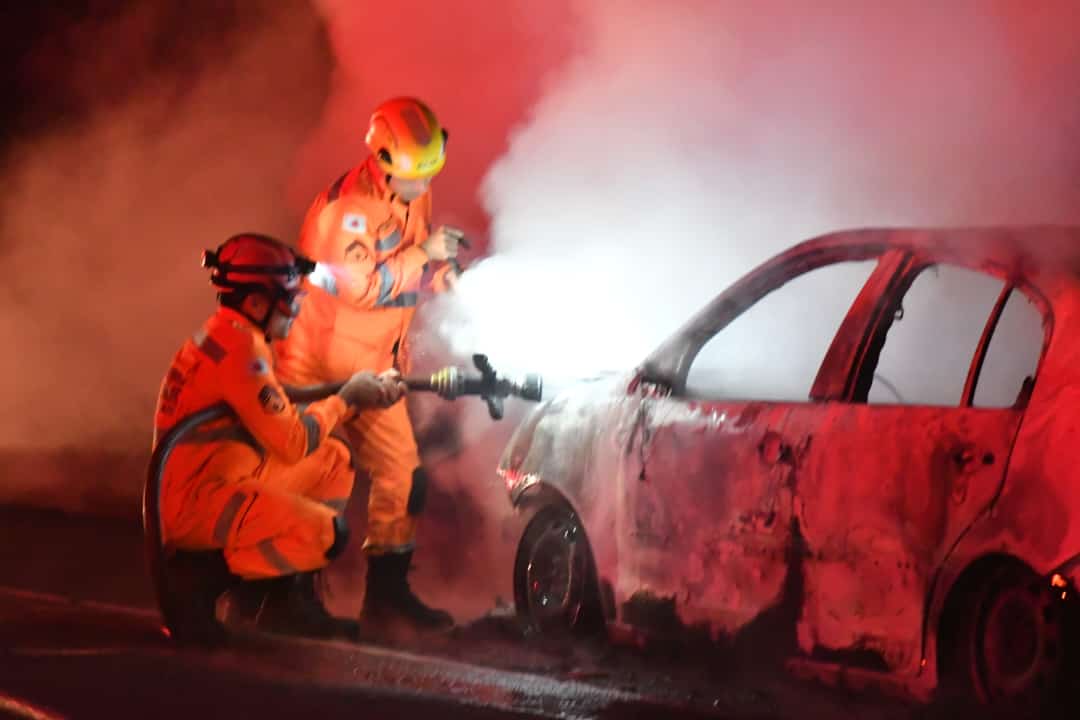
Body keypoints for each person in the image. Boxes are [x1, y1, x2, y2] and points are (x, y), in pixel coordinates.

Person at [153, 232, 407, 638]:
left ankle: (277, 602)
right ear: (256, 302)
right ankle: (199, 582)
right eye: (289, 297)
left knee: (333, 461)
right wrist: (346, 399)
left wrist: (353, 389)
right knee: (326, 533)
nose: (296, 306)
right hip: (199, 503)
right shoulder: (242, 350)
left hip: (209, 481)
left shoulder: (231, 334)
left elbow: (274, 400)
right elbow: (292, 442)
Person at [275, 97, 460, 631]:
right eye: (413, 176)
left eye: (430, 174)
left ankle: (386, 597)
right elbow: (363, 289)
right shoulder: (347, 211)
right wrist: (425, 255)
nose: (422, 186)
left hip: (373, 363)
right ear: (380, 161)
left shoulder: (412, 190)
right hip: (319, 369)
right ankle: (285, 599)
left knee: (403, 476)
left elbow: (405, 270)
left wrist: (440, 277)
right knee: (311, 483)